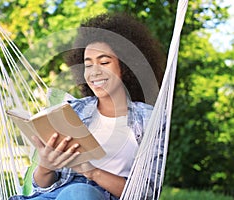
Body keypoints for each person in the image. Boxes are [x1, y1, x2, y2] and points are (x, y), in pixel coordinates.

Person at [9, 12, 165, 200]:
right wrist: (45, 165)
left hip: (94, 196)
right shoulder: (73, 110)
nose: (94, 72)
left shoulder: (150, 119)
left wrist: (91, 172)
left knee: (79, 192)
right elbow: (42, 187)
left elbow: (147, 193)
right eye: (88, 65)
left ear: (125, 66)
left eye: (104, 62)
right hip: (54, 196)